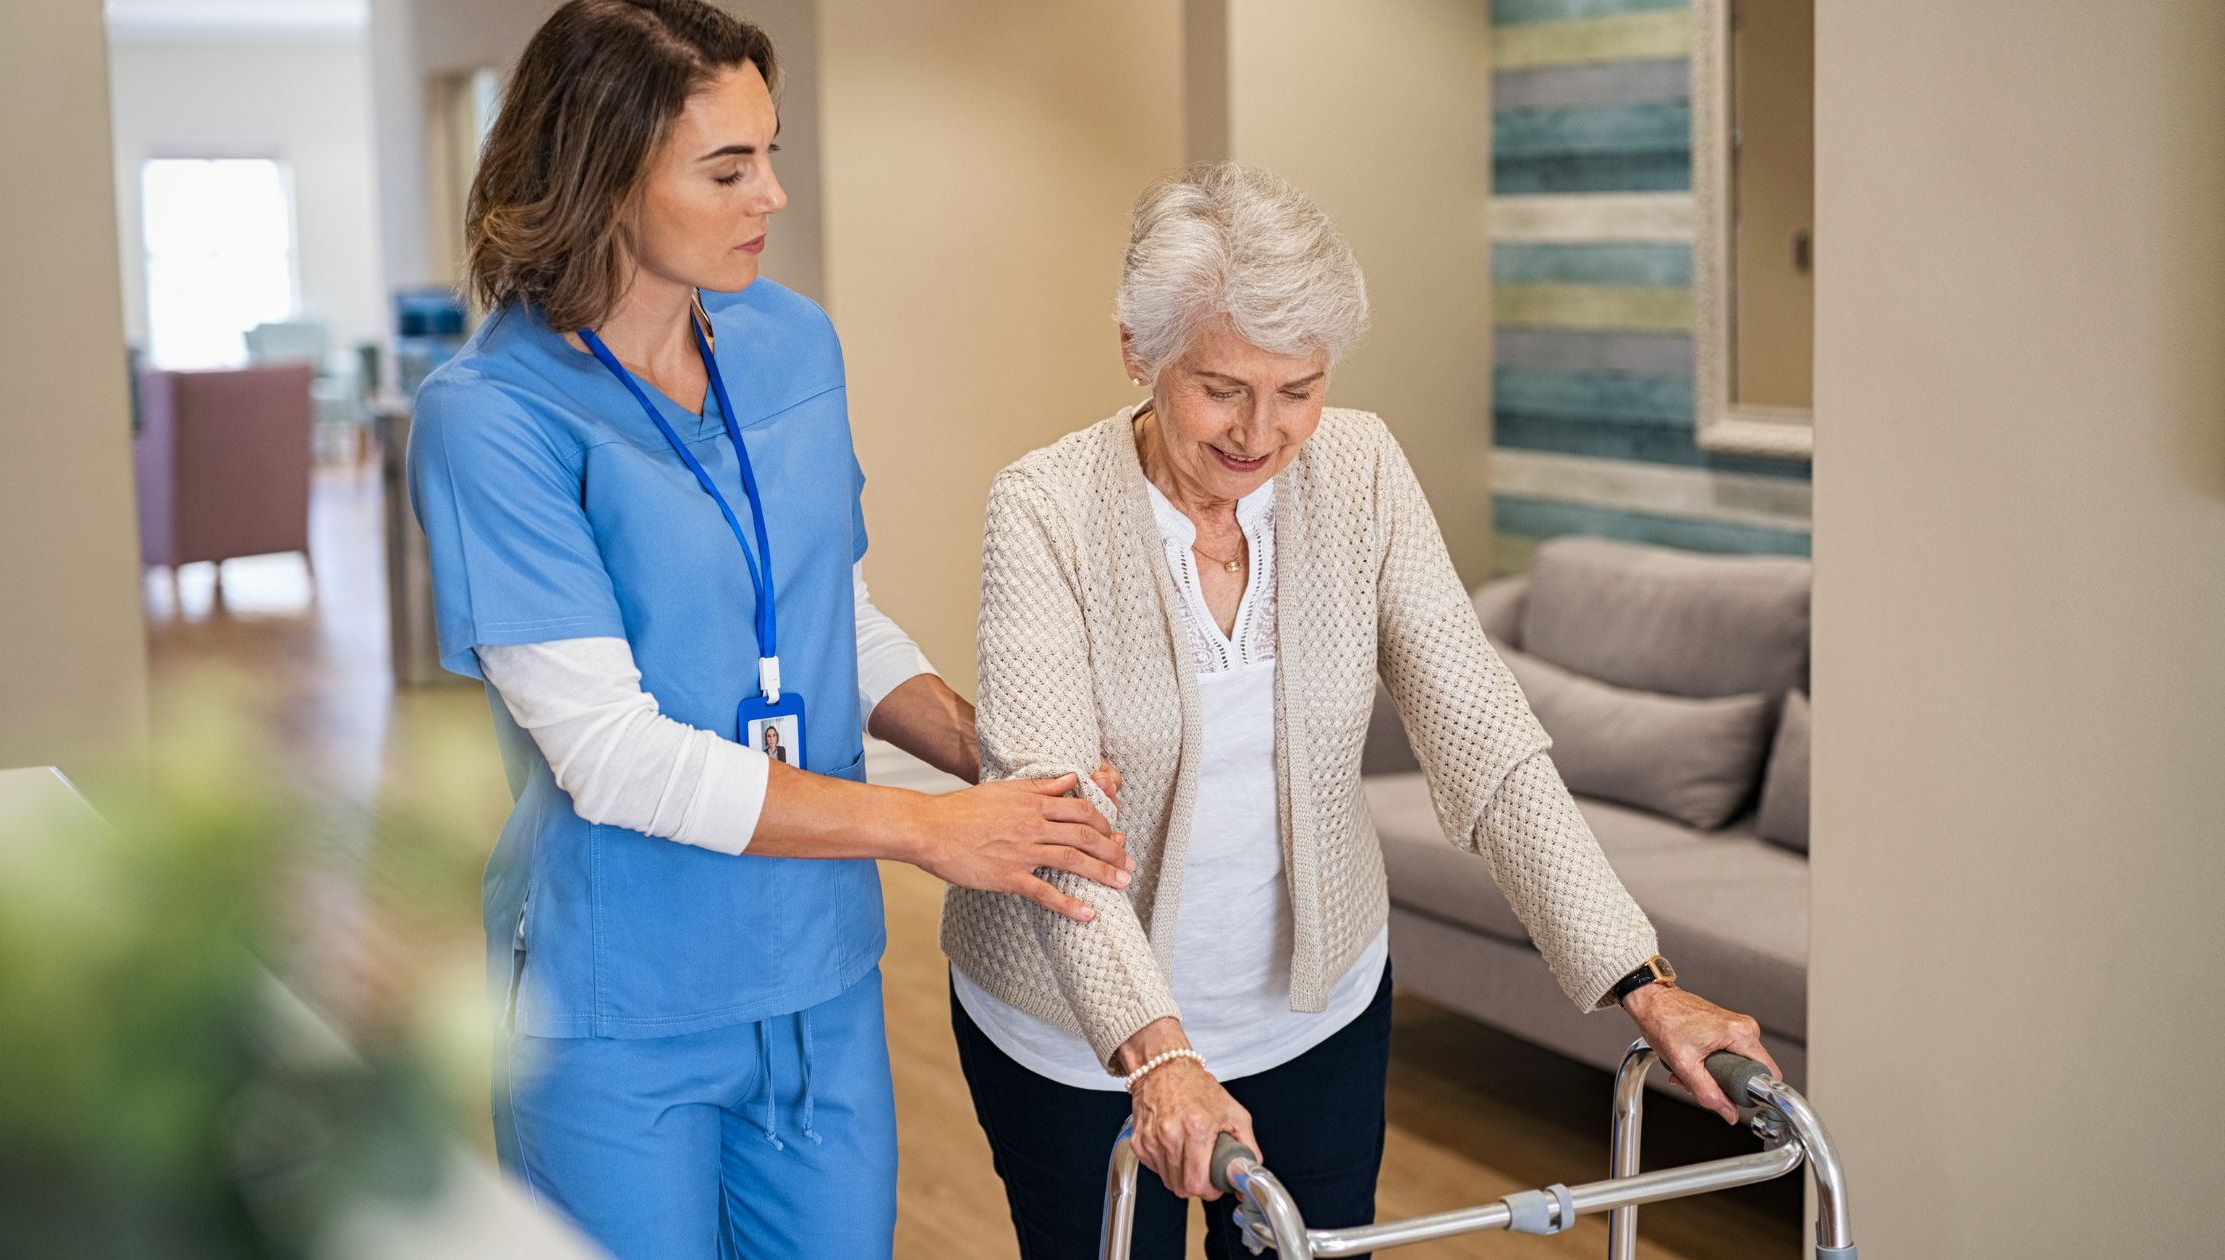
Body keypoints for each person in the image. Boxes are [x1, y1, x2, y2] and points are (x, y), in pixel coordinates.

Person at [939, 163, 1779, 1259]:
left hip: (1311, 1012)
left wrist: (1640, 980)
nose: (1263, 430)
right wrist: (1157, 1055)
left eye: (1299, 388)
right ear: (1138, 356)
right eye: (1222, 387)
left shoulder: (1361, 470)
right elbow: (1053, 826)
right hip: (1077, 1030)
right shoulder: (1044, 507)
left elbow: (1483, 739)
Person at [406, 4, 1131, 1257]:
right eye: (728, 168)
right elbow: (611, 755)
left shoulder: (792, 341)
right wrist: (932, 830)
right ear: (601, 175)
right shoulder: (491, 416)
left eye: (769, 154)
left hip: (817, 976)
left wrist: (996, 764)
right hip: (619, 1004)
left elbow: (825, 618)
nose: (772, 196)